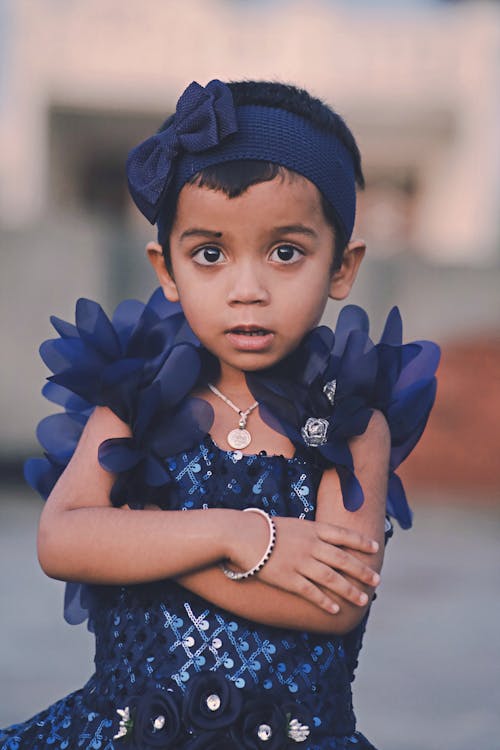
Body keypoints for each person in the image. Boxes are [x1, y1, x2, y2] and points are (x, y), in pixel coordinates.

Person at [0, 79, 439, 750]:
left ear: (342, 267)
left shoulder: (344, 420)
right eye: (210, 254)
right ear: (167, 269)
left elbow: (334, 603)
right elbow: (62, 543)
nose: (247, 291)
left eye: (286, 252)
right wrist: (237, 535)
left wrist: (142, 542)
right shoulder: (137, 401)